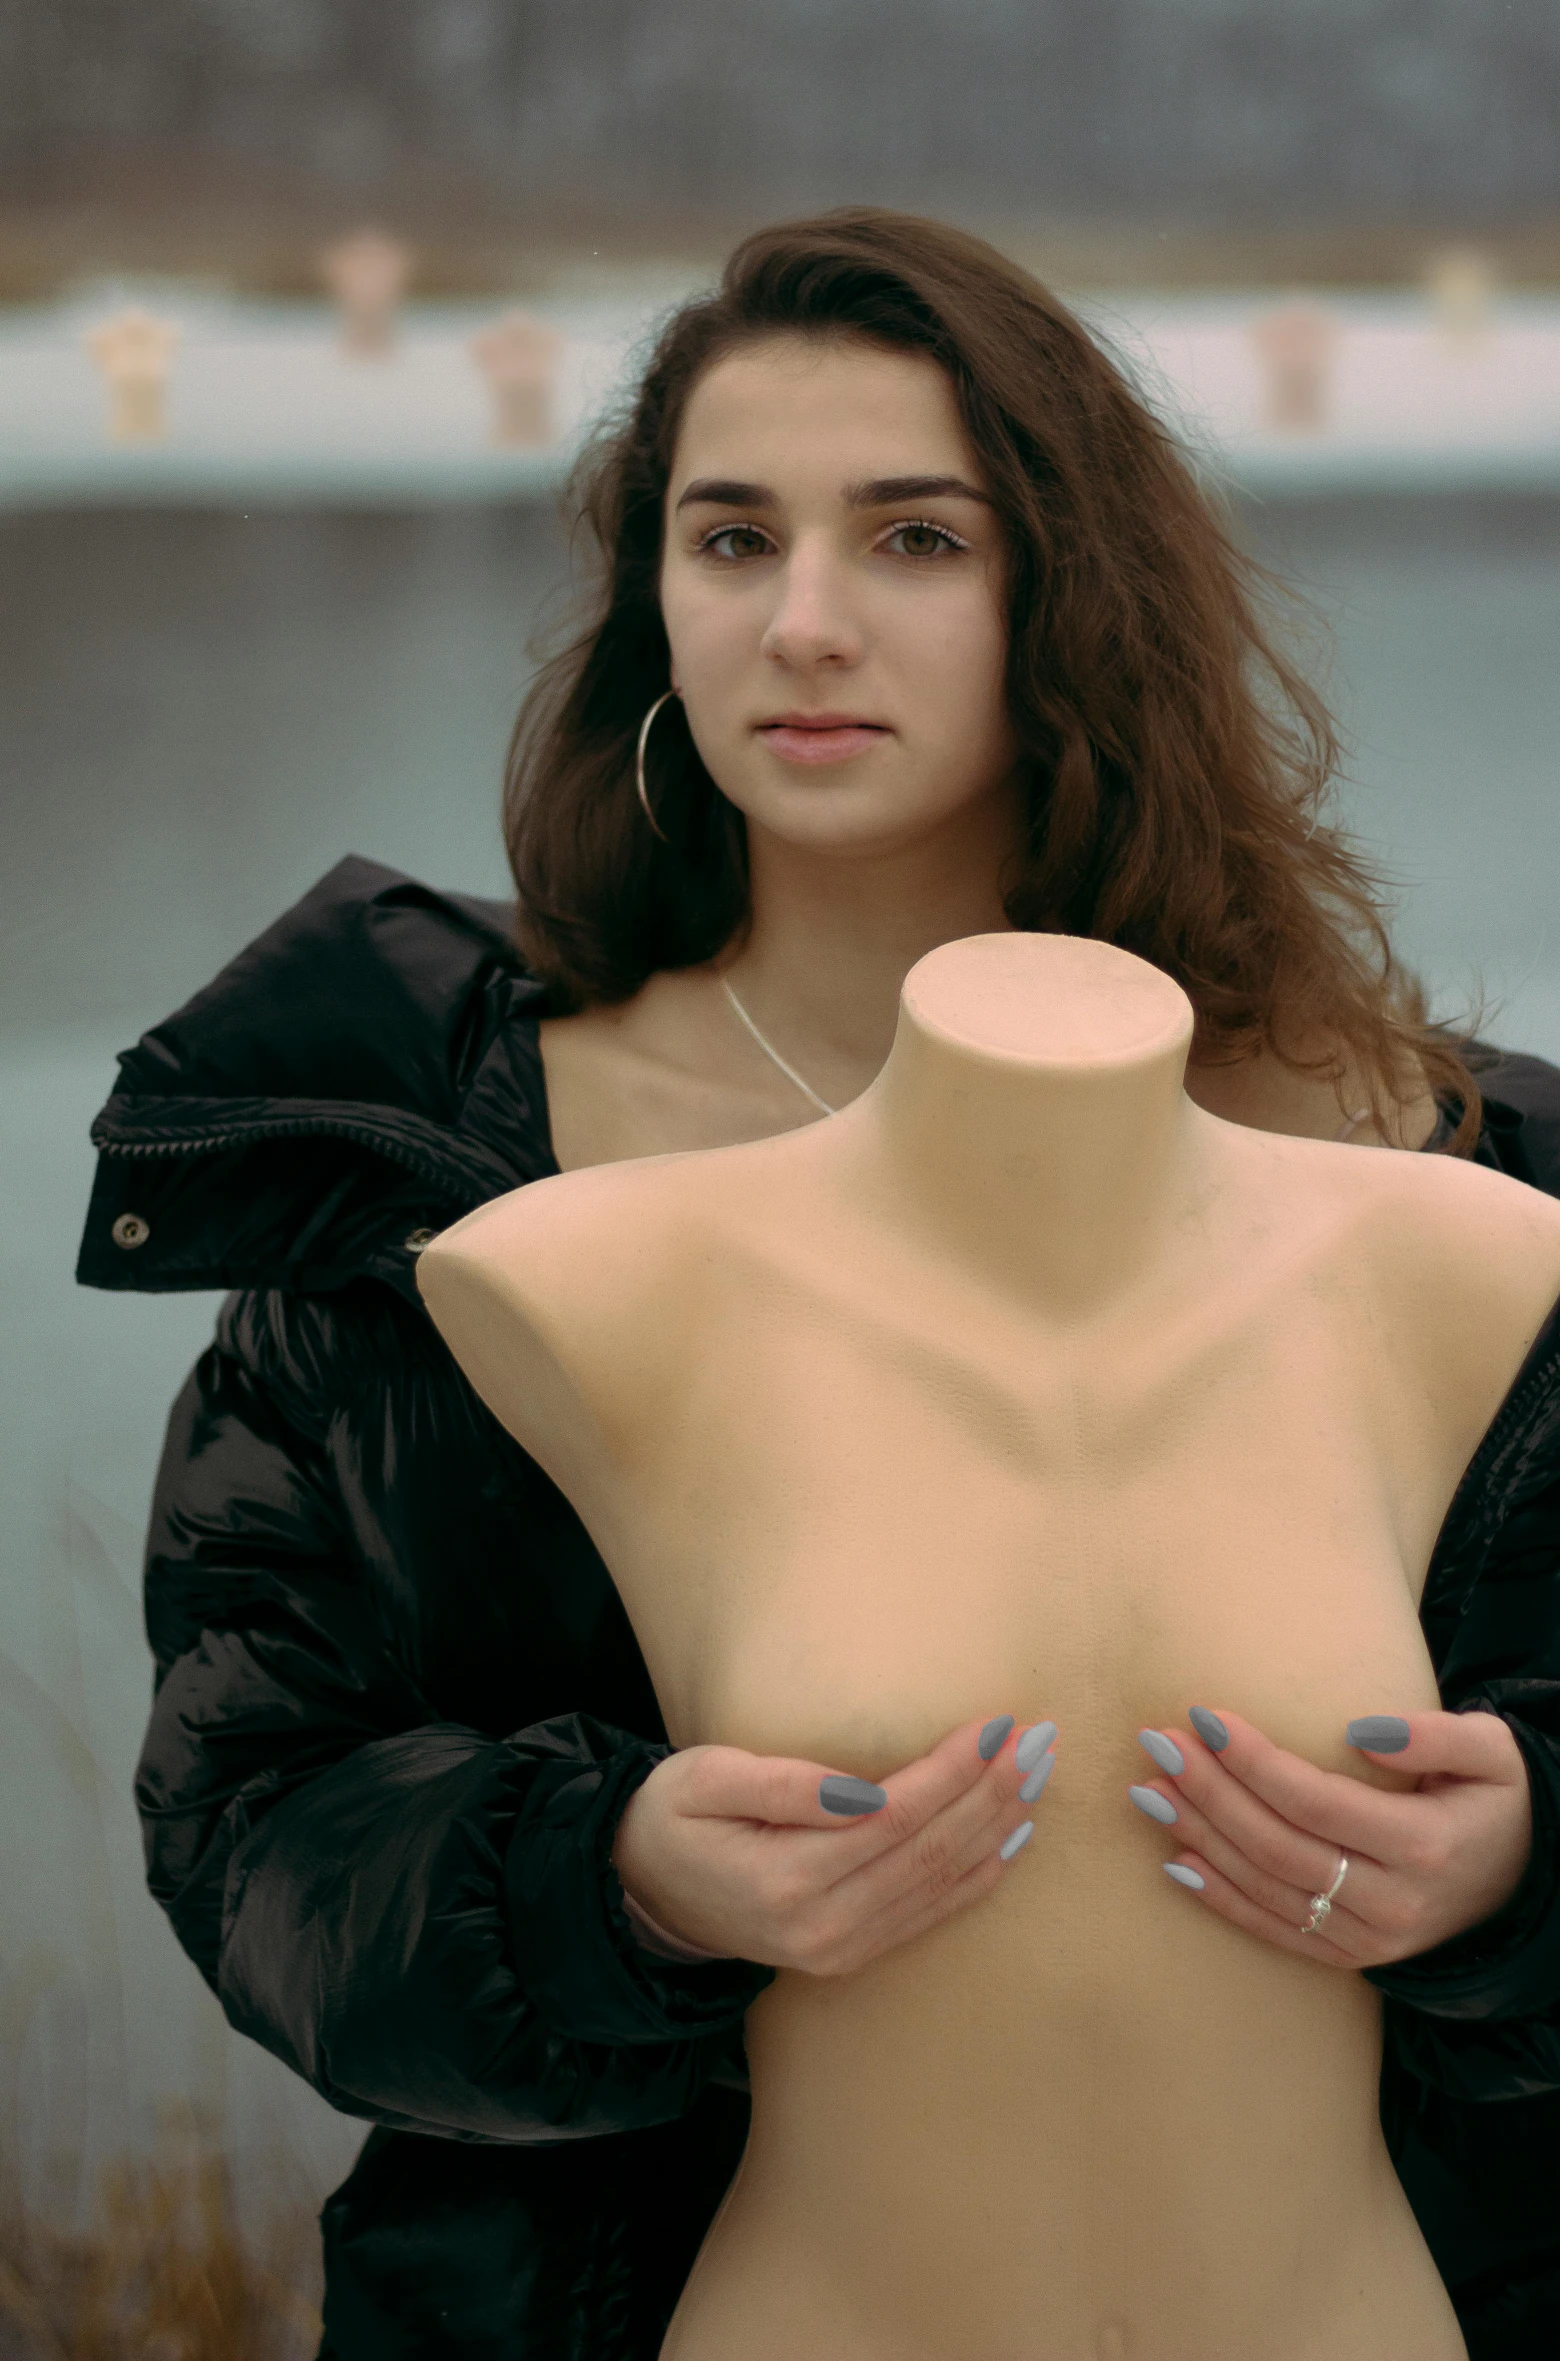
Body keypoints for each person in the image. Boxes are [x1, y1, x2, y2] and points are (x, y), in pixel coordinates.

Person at [75, 209, 1560, 2360]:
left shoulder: (1442, 1174)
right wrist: (605, 1892)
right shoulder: (440, 1180)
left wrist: (1528, 1876)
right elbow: (251, 1821)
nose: (805, 622)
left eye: (917, 540)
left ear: (1074, 597)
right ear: (652, 600)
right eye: (731, 537)